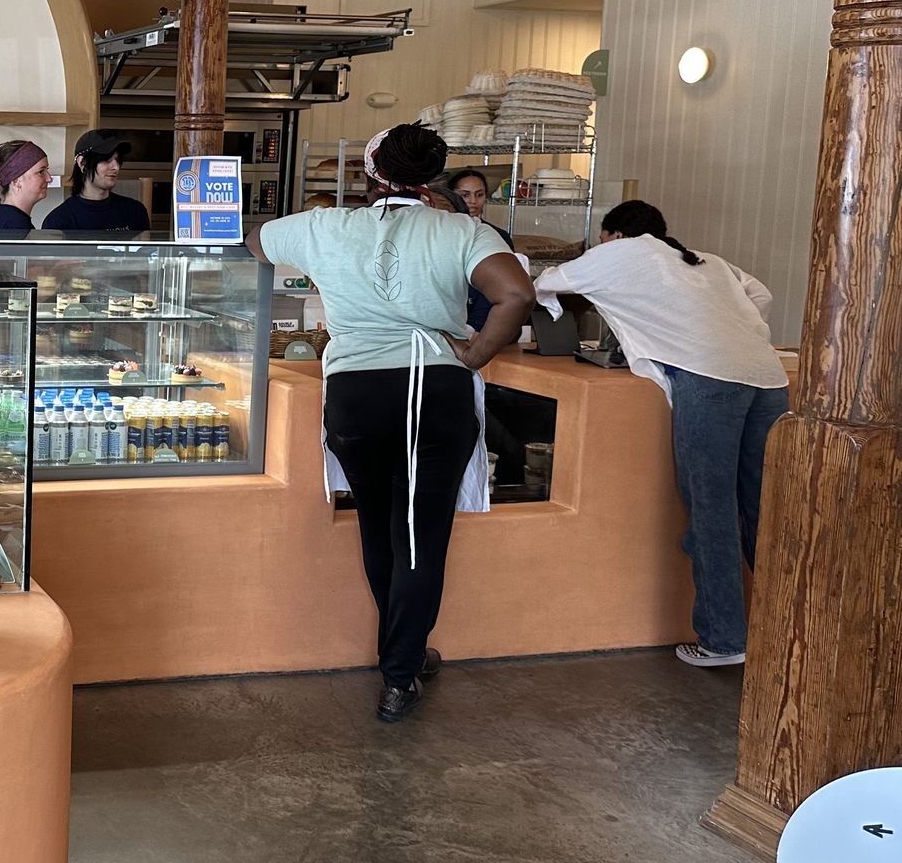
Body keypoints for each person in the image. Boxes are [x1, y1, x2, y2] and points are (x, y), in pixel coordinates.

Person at [247, 123, 533, 723]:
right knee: (421, 533)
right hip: (431, 387)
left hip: (355, 390)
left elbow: (255, 242)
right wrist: (477, 352)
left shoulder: (325, 226)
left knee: (379, 526)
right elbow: (514, 295)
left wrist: (321, 263)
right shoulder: (462, 230)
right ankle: (400, 670)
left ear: (370, 173)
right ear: (430, 178)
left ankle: (401, 657)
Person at [533, 201, 787, 669]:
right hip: (768, 378)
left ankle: (725, 639)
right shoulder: (705, 259)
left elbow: (546, 282)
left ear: (612, 234)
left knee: (712, 510)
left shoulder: (619, 253)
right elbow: (762, 297)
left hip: (708, 379)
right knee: (765, 508)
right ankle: (793, 629)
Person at [443, 169, 516, 328]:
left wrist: (474, 329)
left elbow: (497, 289)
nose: (473, 201)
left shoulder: (499, 236)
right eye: (465, 195)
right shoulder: (440, 234)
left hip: (483, 325)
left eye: (479, 194)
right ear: (451, 196)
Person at [42, 130, 150, 232]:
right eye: (107, 160)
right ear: (82, 163)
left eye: (117, 160)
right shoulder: (58, 220)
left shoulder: (134, 211)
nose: (115, 167)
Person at [0, 140, 50, 231]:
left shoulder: (10, 219)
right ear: (16, 180)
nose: (49, 178)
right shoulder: (13, 227)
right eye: (41, 172)